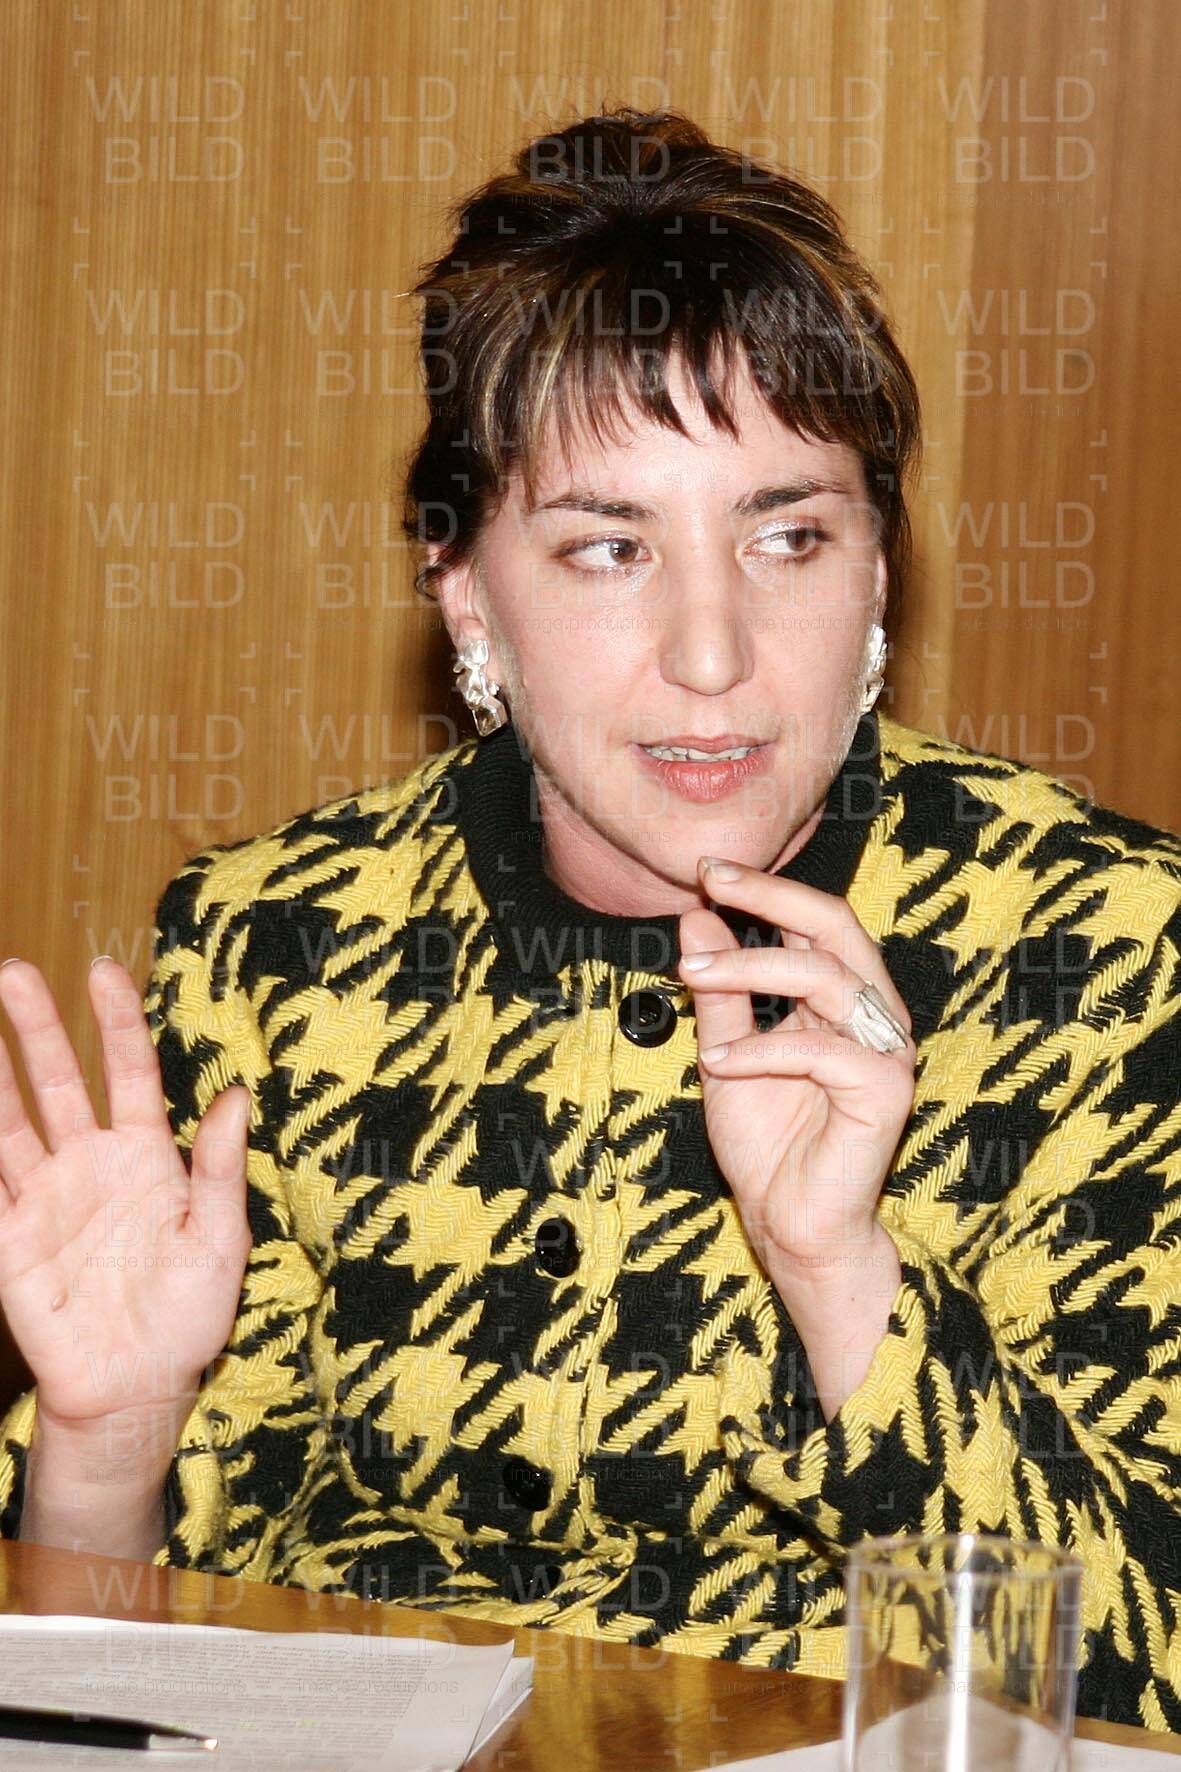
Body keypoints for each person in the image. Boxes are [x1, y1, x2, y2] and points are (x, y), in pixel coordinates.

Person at [2, 107, 1180, 1733]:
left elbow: (1139, 1670)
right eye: (608, 548)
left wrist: (842, 1277)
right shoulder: (281, 939)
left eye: (787, 536)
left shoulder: (1098, 949)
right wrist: (110, 1437)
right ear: (463, 588)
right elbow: (129, 1684)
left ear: (877, 574)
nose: (711, 653)